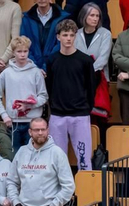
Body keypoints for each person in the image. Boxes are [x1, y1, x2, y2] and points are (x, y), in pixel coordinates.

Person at [12, 116, 74, 206]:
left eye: (43, 129)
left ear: (48, 130)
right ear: (29, 132)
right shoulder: (21, 152)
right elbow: (11, 181)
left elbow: (69, 185)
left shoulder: (57, 153)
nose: (40, 133)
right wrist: (17, 204)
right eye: (36, 130)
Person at [47, 20, 96, 169]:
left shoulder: (85, 60)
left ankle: (86, 191)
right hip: (57, 115)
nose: (68, 38)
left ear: (75, 36)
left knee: (84, 159)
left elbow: (91, 87)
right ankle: (59, 192)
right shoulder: (52, 60)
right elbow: (49, 86)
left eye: (71, 35)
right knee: (56, 160)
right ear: (58, 37)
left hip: (80, 115)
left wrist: (86, 108)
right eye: (65, 35)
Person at [0, 35, 47, 125]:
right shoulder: (6, 73)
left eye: (25, 51)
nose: (22, 54)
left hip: (33, 121)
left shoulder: (36, 72)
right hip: (13, 120)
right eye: (19, 51)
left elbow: (43, 96)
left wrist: (29, 105)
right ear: (13, 53)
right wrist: (4, 115)